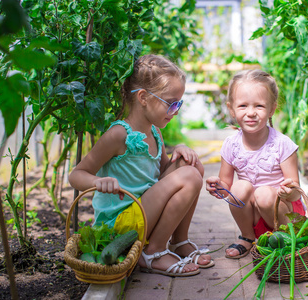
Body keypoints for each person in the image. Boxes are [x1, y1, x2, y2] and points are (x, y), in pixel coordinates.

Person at [69, 54, 214, 277]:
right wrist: (98, 181)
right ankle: (153, 252)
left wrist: (181, 149)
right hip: (121, 225)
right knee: (190, 176)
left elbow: (165, 175)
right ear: (144, 97)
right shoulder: (118, 135)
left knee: (191, 166)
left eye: (179, 104)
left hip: (144, 213)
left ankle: (178, 241)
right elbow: (76, 175)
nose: (175, 110)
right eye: (171, 103)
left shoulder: (155, 133)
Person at [206, 69, 305, 259]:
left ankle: (283, 240)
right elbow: (226, 186)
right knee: (240, 186)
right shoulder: (231, 145)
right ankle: (248, 237)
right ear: (231, 109)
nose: (250, 113)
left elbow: (295, 192)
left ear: (272, 109)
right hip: (255, 215)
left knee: (264, 194)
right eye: (243, 105)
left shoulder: (282, 144)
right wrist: (218, 186)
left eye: (259, 106)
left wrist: (288, 191)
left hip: (285, 215)